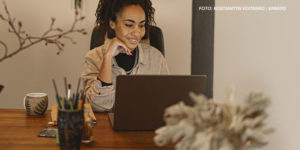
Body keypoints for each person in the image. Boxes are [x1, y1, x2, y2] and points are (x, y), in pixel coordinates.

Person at [81, 0, 169, 112]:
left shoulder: (156, 57)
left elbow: (166, 103)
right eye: (129, 25)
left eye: (141, 25)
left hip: (145, 127)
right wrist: (107, 58)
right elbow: (97, 107)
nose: (137, 33)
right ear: (112, 23)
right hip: (106, 128)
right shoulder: (93, 57)